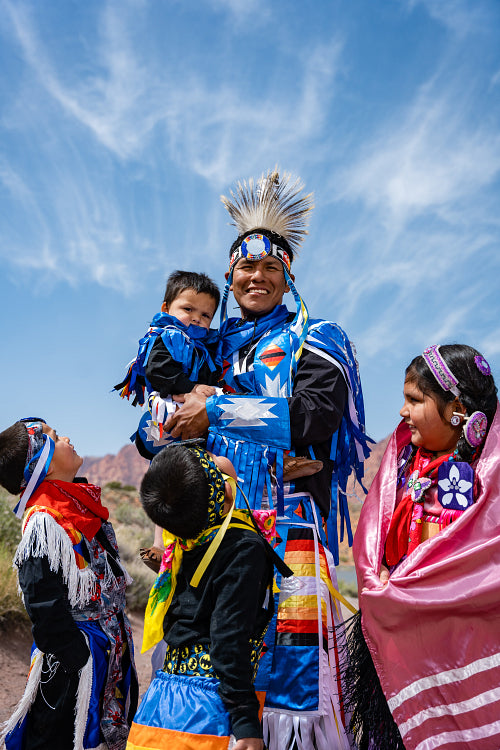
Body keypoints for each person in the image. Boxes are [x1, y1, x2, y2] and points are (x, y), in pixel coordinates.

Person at [160, 170, 372, 750]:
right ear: (229, 277)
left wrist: (217, 411)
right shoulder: (206, 344)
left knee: (289, 684)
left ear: (287, 277)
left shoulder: (319, 337)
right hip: (211, 530)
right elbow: (159, 427)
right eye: (246, 268)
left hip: (287, 532)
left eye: (270, 268)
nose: (257, 276)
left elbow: (314, 416)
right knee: (202, 661)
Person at [349, 344, 499, 749]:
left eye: (414, 400)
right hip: (398, 645)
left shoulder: (489, 484)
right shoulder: (401, 466)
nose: (402, 411)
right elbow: (377, 537)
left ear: (456, 409)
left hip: (454, 653)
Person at [126, 441, 277, 750]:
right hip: (208, 711)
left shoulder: (187, 543)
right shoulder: (242, 548)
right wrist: (246, 721)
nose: (220, 457)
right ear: (220, 494)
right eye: (211, 460)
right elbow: (227, 637)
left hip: (161, 704)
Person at [0, 417, 138, 750]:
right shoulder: (45, 523)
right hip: (72, 669)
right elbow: (43, 604)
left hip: (103, 654)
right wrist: (77, 658)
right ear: (42, 463)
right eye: (55, 437)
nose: (67, 438)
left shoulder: (78, 508)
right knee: (61, 737)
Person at [114, 270, 222, 569]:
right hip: (168, 419)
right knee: (170, 479)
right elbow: (157, 372)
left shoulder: (203, 348)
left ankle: (180, 542)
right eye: (188, 309)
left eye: (205, 314)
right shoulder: (165, 336)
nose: (196, 318)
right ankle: (161, 544)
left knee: (186, 476)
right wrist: (191, 390)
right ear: (167, 308)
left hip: (191, 425)